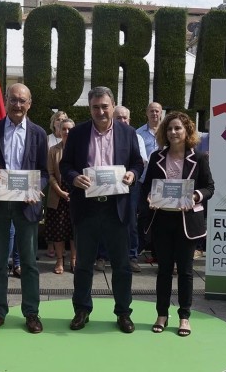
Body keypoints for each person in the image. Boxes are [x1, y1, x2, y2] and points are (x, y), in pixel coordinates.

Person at [61, 86, 145, 334]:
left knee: (121, 265)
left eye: (104, 106)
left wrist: (133, 174)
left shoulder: (128, 132)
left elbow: (138, 163)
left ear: (113, 105)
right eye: (96, 107)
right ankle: (82, 310)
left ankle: (123, 313)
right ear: (90, 108)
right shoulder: (76, 134)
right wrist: (74, 177)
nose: (100, 111)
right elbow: (66, 164)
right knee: (84, 264)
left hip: (116, 209)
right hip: (86, 208)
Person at [0, 83, 49, 334]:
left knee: (28, 262)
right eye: (13, 100)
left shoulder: (39, 134)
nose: (18, 105)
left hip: (26, 207)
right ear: (6, 101)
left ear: (30, 103)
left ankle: (31, 313)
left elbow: (45, 174)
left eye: (22, 100)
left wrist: (35, 190)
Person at [142, 111, 214, 337]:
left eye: (178, 128)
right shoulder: (156, 157)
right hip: (162, 219)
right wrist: (148, 198)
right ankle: (161, 314)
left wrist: (195, 197)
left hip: (188, 221)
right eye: (170, 129)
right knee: (163, 271)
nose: (173, 132)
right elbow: (148, 188)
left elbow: (209, 187)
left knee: (185, 271)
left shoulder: (199, 157)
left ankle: (184, 316)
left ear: (187, 131)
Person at [114, 105, 147, 273]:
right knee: (106, 219)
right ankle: (102, 256)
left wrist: (131, 172)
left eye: (125, 118)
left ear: (129, 119)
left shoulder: (136, 136)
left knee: (131, 221)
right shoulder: (106, 134)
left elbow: (141, 161)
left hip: (130, 183)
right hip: (110, 183)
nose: (122, 121)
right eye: (118, 117)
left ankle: (132, 256)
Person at [46, 118, 75, 274]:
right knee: (58, 231)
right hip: (58, 195)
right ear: (59, 131)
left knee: (74, 231)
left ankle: (74, 260)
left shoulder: (81, 149)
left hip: (75, 195)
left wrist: (73, 192)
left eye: (70, 129)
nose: (67, 132)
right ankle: (59, 261)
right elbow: (50, 174)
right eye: (64, 129)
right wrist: (60, 192)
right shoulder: (53, 150)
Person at [137, 102, 162, 255]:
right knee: (144, 214)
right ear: (146, 113)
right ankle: (141, 244)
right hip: (144, 181)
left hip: (162, 181)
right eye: (151, 111)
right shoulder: (138, 133)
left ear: (161, 113)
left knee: (161, 216)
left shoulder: (167, 132)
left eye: (157, 111)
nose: (154, 114)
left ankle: (156, 249)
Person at [45, 111, 68, 259]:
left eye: (63, 120)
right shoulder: (48, 140)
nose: (60, 122)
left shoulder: (74, 142)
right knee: (52, 216)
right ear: (54, 123)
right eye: (58, 120)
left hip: (69, 187)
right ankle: (50, 244)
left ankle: (71, 255)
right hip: (52, 183)